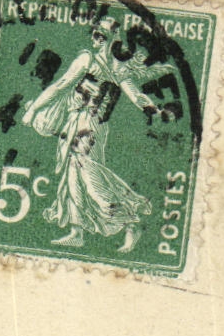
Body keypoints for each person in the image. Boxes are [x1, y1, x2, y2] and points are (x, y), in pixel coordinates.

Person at [19, 16, 166, 251]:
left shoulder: (118, 67)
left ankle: (129, 222)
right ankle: (77, 232)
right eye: (95, 33)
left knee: (88, 174)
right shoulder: (86, 59)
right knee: (73, 175)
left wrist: (153, 109)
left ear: (113, 38)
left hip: (93, 127)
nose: (96, 38)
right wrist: (35, 108)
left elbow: (134, 93)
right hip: (76, 122)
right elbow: (61, 85)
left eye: (102, 35)